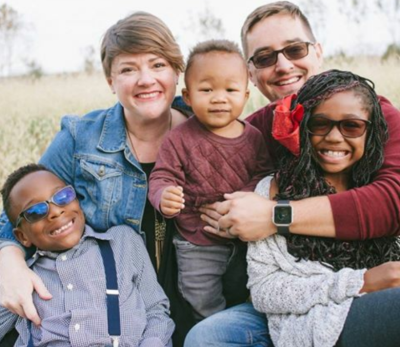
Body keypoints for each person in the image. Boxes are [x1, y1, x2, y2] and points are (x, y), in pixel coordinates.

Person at [186, 1, 400, 346]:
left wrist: (275, 215)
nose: (283, 66)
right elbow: (197, 149)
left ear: (317, 52)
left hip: (373, 282)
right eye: (265, 58)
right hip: (296, 294)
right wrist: (227, 212)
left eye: (294, 49)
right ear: (251, 75)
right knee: (209, 336)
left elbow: (392, 203)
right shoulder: (252, 133)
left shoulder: (373, 116)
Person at [0, 11, 194, 346]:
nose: (145, 79)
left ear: (178, 70)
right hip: (110, 306)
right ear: (110, 81)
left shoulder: (209, 132)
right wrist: (8, 258)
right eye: (128, 69)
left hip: (189, 303)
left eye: (158, 64)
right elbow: (21, 209)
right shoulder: (80, 138)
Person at [247, 70, 400, 347]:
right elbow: (264, 291)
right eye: (319, 124)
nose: (333, 137)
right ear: (302, 127)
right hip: (317, 325)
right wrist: (361, 282)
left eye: (351, 126)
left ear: (371, 131)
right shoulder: (272, 191)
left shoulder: (377, 189)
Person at [149, 40, 268, 321]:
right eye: (207, 90)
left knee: (244, 291)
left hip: (243, 240)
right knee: (200, 297)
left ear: (246, 95)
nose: (219, 98)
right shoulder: (179, 138)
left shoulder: (253, 138)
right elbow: (162, 174)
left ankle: (239, 329)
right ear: (188, 96)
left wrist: (244, 199)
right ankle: (211, 330)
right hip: (197, 242)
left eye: (230, 89)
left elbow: (264, 175)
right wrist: (163, 194)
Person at [0, 163, 174, 346]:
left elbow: (156, 312)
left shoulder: (123, 242)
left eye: (63, 196)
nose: (56, 211)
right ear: (22, 236)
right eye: (36, 212)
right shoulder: (21, 280)